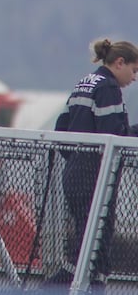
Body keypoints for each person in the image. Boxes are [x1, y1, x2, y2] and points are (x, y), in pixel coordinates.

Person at [48, 38, 138, 287]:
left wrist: (76, 159)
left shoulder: (84, 82)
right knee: (97, 242)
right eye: (134, 70)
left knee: (84, 239)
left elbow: (61, 128)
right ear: (120, 62)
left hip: (74, 172)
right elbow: (112, 135)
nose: (134, 78)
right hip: (94, 177)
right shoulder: (109, 87)